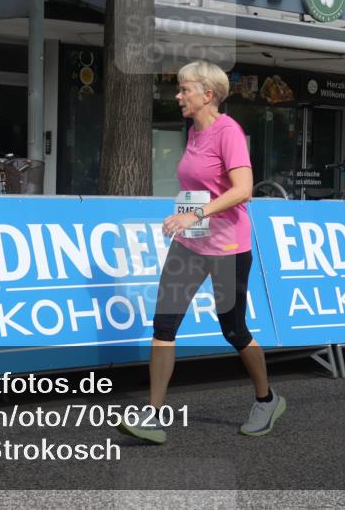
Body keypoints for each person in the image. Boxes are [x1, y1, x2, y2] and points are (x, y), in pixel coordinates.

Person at [116, 60, 284, 445]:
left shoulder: (229, 132)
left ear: (207, 94)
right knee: (164, 325)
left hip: (227, 247)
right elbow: (199, 186)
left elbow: (244, 189)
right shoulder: (193, 131)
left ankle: (267, 400)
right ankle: (153, 414)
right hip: (190, 244)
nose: (178, 96)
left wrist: (194, 214)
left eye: (184, 89)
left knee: (234, 330)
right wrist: (185, 219)